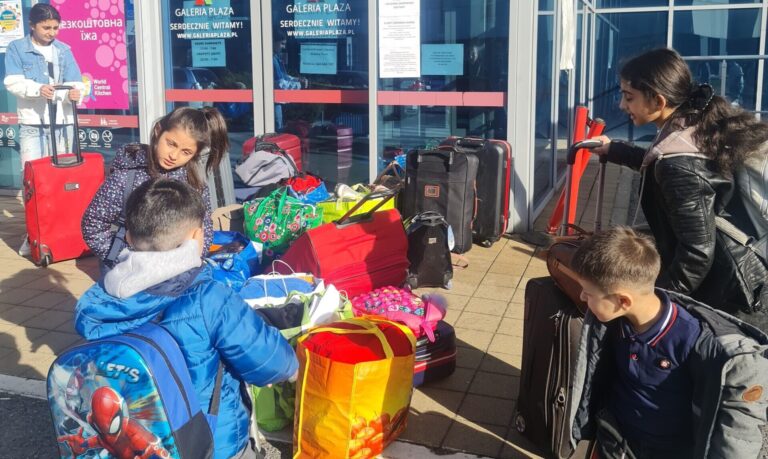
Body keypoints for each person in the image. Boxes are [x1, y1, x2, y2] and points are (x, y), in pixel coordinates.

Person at [74, 178, 298, 459]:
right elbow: (271, 361)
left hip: (132, 443)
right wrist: (292, 368)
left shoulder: (99, 301)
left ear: (128, 237)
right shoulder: (210, 298)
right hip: (209, 443)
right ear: (197, 236)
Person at [593, 47, 768, 329]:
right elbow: (661, 162)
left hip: (731, 297)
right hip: (739, 272)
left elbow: (696, 253)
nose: (622, 105)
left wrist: (657, 304)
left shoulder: (679, 164)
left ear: (658, 100)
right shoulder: (694, 122)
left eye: (629, 97)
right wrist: (615, 150)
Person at [566, 227, 768, 459]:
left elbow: (737, 431)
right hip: (613, 439)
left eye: (588, 293)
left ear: (623, 301)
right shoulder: (616, 322)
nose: (582, 297)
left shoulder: (693, 341)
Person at [82, 106, 228, 271]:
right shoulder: (125, 178)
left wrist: (188, 262)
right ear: (158, 131)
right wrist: (120, 259)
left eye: (186, 152)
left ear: (195, 154)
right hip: (126, 270)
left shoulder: (195, 187)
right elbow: (93, 224)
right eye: (171, 144)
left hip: (175, 271)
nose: (174, 156)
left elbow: (203, 230)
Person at [4, 3, 84, 256]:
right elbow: (12, 82)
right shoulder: (17, 48)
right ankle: (35, 235)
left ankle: (61, 232)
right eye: (46, 27)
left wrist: (75, 92)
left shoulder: (64, 50)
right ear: (32, 25)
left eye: (56, 27)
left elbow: (76, 83)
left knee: (62, 180)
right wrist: (37, 89)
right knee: (33, 180)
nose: (52, 32)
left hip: (62, 123)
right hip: (33, 122)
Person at [273, 30, 307, 130]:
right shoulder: (272, 60)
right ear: (273, 42)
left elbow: (284, 76)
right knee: (277, 129)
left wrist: (297, 80)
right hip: (274, 101)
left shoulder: (275, 58)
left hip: (277, 100)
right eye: (282, 44)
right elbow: (280, 84)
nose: (283, 47)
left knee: (279, 127)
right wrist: (299, 85)